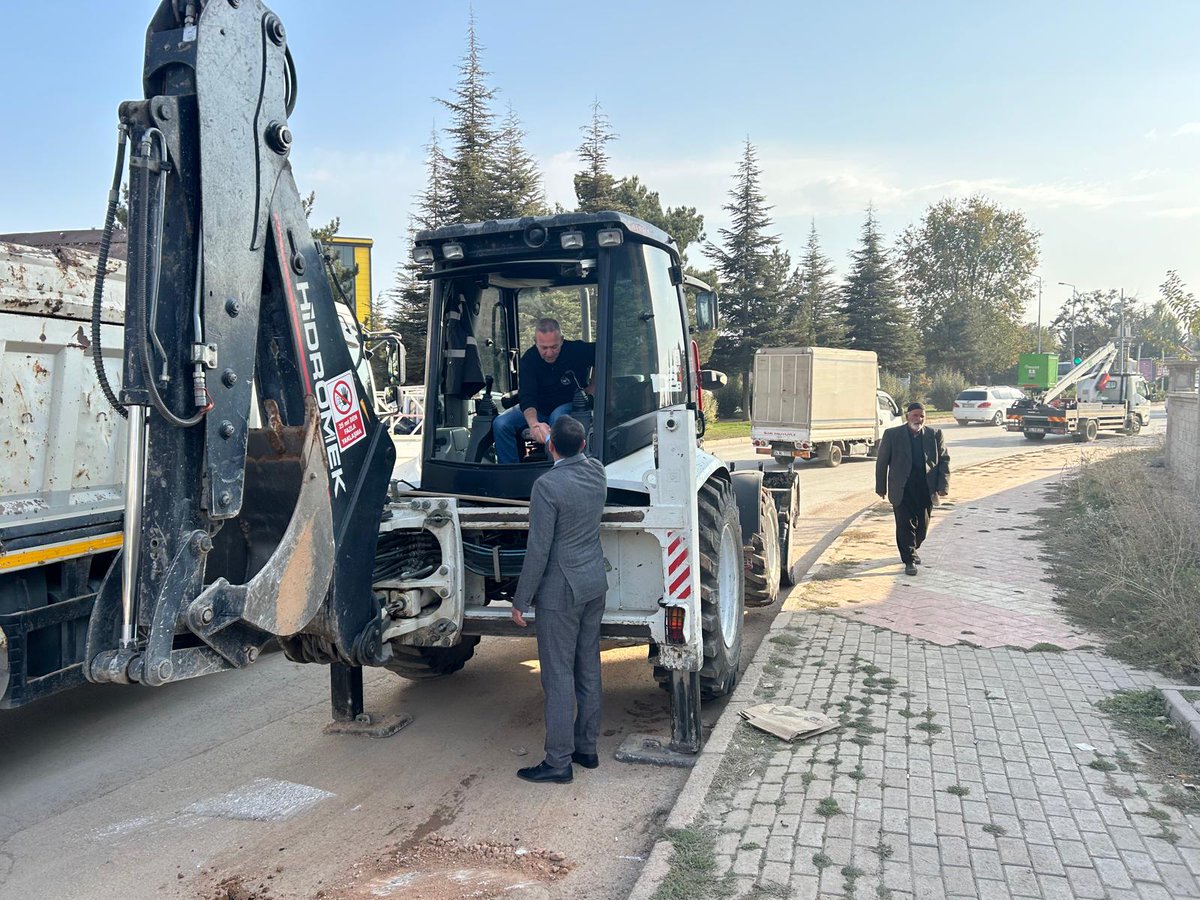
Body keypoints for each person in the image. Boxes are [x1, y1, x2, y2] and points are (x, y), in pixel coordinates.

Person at [510, 416, 609, 784]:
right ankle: (587, 749)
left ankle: (557, 762)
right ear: (583, 445)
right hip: (593, 584)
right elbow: (579, 453)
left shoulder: (547, 485)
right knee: (588, 668)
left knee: (557, 677)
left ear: (550, 447)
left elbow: (538, 550)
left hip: (560, 591)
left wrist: (521, 600)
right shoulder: (596, 472)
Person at [492, 318, 595, 464]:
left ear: (562, 340)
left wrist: (593, 385)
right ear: (535, 342)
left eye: (554, 347)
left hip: (569, 404)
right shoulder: (529, 360)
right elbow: (527, 397)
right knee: (501, 424)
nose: (549, 353)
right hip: (538, 408)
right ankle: (509, 472)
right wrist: (534, 425)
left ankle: (555, 469)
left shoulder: (576, 350)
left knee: (557, 420)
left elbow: (603, 353)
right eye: (544, 348)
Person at [875, 401, 950, 576]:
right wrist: (881, 487)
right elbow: (882, 462)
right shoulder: (892, 435)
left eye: (922, 416)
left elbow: (944, 460)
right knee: (904, 524)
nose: (919, 419)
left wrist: (942, 485)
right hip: (901, 487)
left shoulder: (934, 434)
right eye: (915, 415)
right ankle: (909, 559)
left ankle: (913, 547)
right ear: (907, 416)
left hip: (925, 488)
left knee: (922, 528)